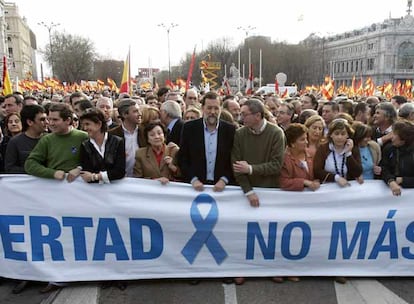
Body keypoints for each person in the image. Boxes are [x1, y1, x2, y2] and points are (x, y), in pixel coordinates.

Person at [24, 102, 88, 293]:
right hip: (54, 199)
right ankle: (58, 275)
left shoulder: (83, 137)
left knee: (80, 236)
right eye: (48, 119)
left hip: (82, 198)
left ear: (68, 120)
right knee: (60, 237)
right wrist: (52, 173)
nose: (50, 123)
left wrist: (80, 169)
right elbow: (30, 164)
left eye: (55, 119)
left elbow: (96, 161)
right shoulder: (46, 140)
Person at [231, 98, 285, 285]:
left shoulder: (276, 133)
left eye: (244, 114)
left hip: (270, 191)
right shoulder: (240, 134)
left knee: (270, 234)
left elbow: (277, 165)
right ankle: (242, 268)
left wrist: (251, 169)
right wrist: (248, 191)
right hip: (246, 193)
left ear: (257, 115)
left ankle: (273, 268)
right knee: (244, 234)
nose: (241, 117)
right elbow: (236, 165)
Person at [178, 91, 236, 191]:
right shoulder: (189, 128)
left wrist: (224, 179)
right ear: (202, 108)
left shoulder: (230, 130)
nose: (212, 112)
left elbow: (234, 159)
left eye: (216, 108)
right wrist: (193, 179)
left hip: (222, 187)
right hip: (195, 186)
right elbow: (183, 157)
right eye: (209, 108)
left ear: (221, 109)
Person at [79, 108, 125, 184]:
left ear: (99, 124)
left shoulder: (117, 142)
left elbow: (120, 171)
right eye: (83, 125)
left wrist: (96, 176)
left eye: (87, 124)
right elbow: (86, 173)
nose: (84, 128)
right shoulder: (85, 145)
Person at [313, 119, 363, 187]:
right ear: (331, 135)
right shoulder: (323, 149)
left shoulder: (353, 149)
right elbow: (317, 171)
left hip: (348, 188)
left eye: (343, 134)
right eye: (336, 134)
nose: (340, 137)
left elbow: (357, 172)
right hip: (328, 188)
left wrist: (348, 154)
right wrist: (336, 178)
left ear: (348, 135)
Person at [5, 105, 48, 174]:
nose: (47, 122)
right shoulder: (15, 142)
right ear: (30, 122)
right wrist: (35, 171)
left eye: (47, 119)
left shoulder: (50, 140)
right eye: (42, 120)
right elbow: (10, 168)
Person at [109, 99, 144, 177]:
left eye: (139, 111)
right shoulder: (112, 134)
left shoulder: (145, 132)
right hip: (121, 181)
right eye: (135, 111)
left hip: (143, 181)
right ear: (125, 114)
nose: (140, 114)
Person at [280, 123, 320, 191]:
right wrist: (304, 182)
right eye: (302, 139)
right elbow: (284, 182)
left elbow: (318, 173)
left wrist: (317, 181)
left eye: (306, 138)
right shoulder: (285, 159)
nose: (306, 142)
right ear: (292, 143)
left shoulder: (311, 154)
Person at [381, 119, 414, 196]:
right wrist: (391, 181)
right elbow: (384, 169)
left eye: (395, 134)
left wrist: (403, 180)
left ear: (403, 139)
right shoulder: (388, 149)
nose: (391, 136)